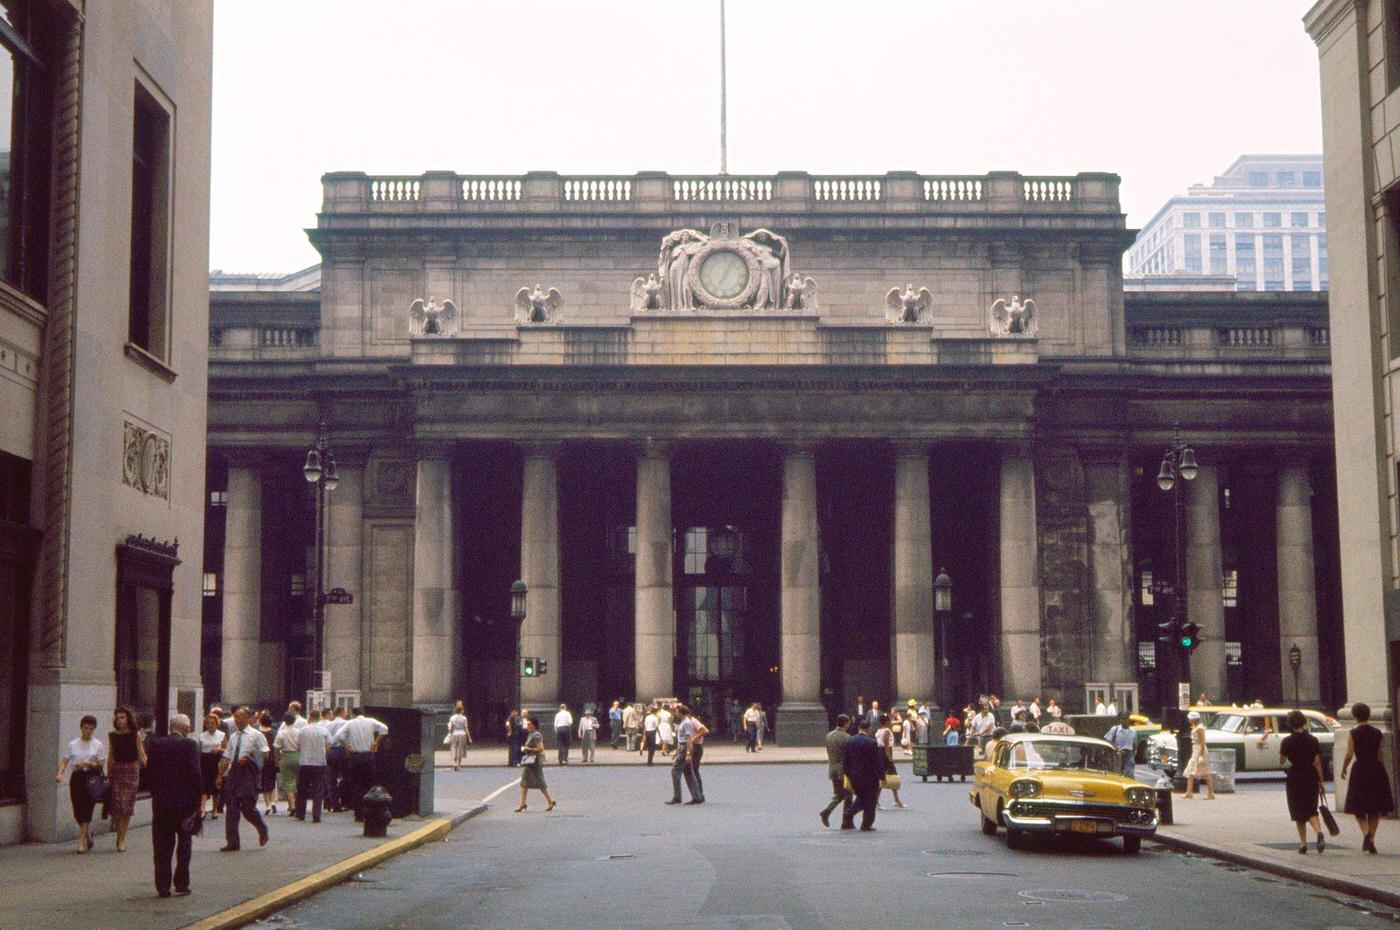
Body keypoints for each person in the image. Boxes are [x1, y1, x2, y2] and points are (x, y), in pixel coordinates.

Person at [146, 714, 202, 897]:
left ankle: (162, 885)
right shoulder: (190, 745)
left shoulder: (156, 744)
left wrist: (156, 794)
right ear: (185, 728)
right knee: (184, 845)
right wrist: (197, 802)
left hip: (162, 803)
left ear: (171, 727)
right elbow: (195, 774)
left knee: (162, 846)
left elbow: (150, 773)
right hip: (184, 805)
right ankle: (181, 883)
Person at [1341, 702, 1395, 853]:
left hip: (1360, 768)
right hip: (1376, 768)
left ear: (1354, 715)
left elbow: (1349, 753)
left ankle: (1365, 833)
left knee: (1357, 805)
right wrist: (1381, 769)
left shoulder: (1353, 732)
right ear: (1369, 714)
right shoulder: (1377, 732)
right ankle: (1371, 838)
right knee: (1374, 808)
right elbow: (1380, 753)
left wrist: (1344, 768)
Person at [217, 706, 270, 851]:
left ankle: (262, 828)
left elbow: (265, 755)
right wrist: (220, 775)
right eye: (235, 716)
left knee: (247, 808)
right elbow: (227, 757)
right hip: (234, 773)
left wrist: (251, 758)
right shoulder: (234, 736)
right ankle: (232, 841)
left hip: (249, 773)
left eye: (240, 716)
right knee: (232, 809)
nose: (236, 719)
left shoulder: (256, 735)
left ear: (248, 718)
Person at [1277, 709, 1327, 854]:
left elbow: (1282, 760)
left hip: (1295, 776)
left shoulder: (1287, 741)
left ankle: (1303, 843)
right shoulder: (1313, 740)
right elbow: (1317, 761)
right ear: (1304, 722)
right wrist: (1321, 781)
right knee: (1311, 808)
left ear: (1290, 724)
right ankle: (1318, 832)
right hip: (1311, 775)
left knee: (1297, 810)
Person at [55, 714, 106, 852]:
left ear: (94, 729)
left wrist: (90, 763)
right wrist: (60, 773)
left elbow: (101, 763)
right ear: (81, 728)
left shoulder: (98, 745)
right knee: (77, 809)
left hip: (91, 778)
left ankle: (81, 841)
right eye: (85, 728)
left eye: (90, 728)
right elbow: (65, 761)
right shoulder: (73, 744)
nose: (88, 731)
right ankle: (88, 834)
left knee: (87, 808)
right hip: (77, 777)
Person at [332, 707, 388, 821]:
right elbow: (384, 729)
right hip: (368, 756)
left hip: (355, 757)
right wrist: (376, 742)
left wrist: (346, 745)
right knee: (368, 784)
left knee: (356, 785)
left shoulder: (350, 723)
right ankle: (370, 811)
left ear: (353, 714)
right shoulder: (371, 721)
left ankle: (358, 814)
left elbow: (338, 735)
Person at [106, 705, 147, 852]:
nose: (120, 720)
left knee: (126, 805)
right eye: (118, 718)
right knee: (117, 807)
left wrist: (150, 766)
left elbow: (141, 754)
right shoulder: (112, 735)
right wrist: (107, 775)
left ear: (128, 718)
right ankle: (119, 833)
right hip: (117, 770)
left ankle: (121, 839)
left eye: (122, 717)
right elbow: (110, 757)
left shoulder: (135, 735)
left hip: (131, 769)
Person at [841, 719, 885, 831]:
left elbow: (845, 760)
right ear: (868, 728)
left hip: (854, 776)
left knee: (861, 797)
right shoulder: (871, 742)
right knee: (871, 800)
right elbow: (877, 761)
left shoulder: (850, 740)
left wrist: (847, 774)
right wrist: (882, 776)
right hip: (870, 777)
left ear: (859, 728)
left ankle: (850, 812)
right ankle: (866, 823)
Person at [294, 708, 330, 822]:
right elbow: (329, 744)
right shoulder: (324, 731)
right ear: (319, 717)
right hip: (320, 762)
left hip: (305, 762)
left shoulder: (302, 730)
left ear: (309, 717)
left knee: (302, 788)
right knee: (318, 789)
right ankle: (316, 815)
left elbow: (297, 745)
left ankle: (300, 813)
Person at [665, 705, 706, 805]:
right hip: (683, 748)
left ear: (682, 712)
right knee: (689, 772)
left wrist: (687, 753)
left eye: (677, 711)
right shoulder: (684, 722)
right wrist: (677, 751)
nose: (675, 713)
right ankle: (697, 797)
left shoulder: (687, 722)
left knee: (675, 771)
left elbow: (688, 738)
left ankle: (677, 797)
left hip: (685, 748)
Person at [514, 716, 556, 812]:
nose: (527, 726)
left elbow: (541, 749)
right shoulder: (530, 734)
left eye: (529, 724)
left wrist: (529, 749)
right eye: (527, 724)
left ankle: (550, 801)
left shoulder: (536, 735)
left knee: (540, 783)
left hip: (535, 762)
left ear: (534, 725)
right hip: (529, 762)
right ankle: (522, 804)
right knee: (524, 782)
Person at [819, 714, 852, 828]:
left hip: (832, 768)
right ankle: (832, 814)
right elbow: (848, 756)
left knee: (843, 794)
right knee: (847, 794)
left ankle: (846, 821)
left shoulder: (829, 736)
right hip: (843, 770)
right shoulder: (847, 737)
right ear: (846, 723)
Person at [196, 713, 226, 820]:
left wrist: (219, 750)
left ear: (217, 724)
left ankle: (214, 809)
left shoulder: (221, 735)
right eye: (207, 723)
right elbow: (199, 751)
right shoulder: (202, 735)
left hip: (216, 761)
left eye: (212, 723)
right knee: (204, 787)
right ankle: (203, 809)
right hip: (205, 761)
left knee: (216, 787)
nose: (209, 725)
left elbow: (226, 751)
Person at [1181, 710, 1216, 800]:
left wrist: (1201, 755)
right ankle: (1190, 792)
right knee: (1192, 771)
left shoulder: (1200, 729)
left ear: (1193, 720)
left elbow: (1203, 742)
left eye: (1189, 719)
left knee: (1203, 772)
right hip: (1196, 750)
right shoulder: (1195, 727)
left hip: (1200, 751)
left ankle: (1209, 793)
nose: (1188, 720)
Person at [874, 713, 905, 809]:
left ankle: (896, 799)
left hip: (880, 753)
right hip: (885, 754)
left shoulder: (879, 730)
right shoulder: (887, 731)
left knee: (892, 776)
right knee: (884, 777)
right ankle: (877, 801)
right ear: (887, 722)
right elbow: (886, 744)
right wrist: (889, 757)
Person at [273, 712, 301, 816]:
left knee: (288, 782)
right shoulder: (299, 732)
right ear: (294, 720)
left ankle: (292, 805)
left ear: (285, 721)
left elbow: (276, 748)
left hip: (286, 756)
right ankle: (298, 803)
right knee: (298, 781)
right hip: (298, 756)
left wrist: (276, 759)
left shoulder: (281, 733)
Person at [324, 707, 350, 812]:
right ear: (342, 712)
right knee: (346, 777)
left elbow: (325, 738)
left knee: (331, 778)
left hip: (331, 751)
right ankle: (345, 801)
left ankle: (334, 804)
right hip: (342, 750)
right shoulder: (346, 723)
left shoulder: (328, 724)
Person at [256, 712, 279, 815]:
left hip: (261, 759)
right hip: (272, 759)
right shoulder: (274, 732)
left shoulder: (257, 733)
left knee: (264, 782)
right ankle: (273, 802)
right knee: (272, 781)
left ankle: (267, 805)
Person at [448, 701, 472, 771]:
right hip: (462, 734)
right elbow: (466, 728)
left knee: (454, 748)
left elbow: (451, 727)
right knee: (461, 749)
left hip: (455, 734)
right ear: (461, 711)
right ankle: (459, 765)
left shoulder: (452, 718)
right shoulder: (464, 718)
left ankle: (455, 763)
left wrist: (450, 733)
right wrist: (469, 738)